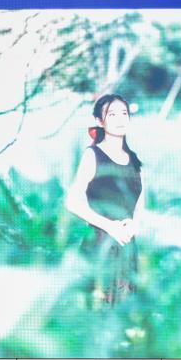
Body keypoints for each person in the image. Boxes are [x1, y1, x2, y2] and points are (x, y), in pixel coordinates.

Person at [65, 93, 145, 305]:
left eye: (124, 113)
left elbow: (139, 204)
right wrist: (109, 226)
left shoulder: (134, 160)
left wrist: (135, 224)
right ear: (100, 121)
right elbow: (72, 202)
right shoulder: (92, 155)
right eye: (112, 114)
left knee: (125, 313)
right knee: (97, 309)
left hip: (127, 247)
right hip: (100, 244)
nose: (120, 119)